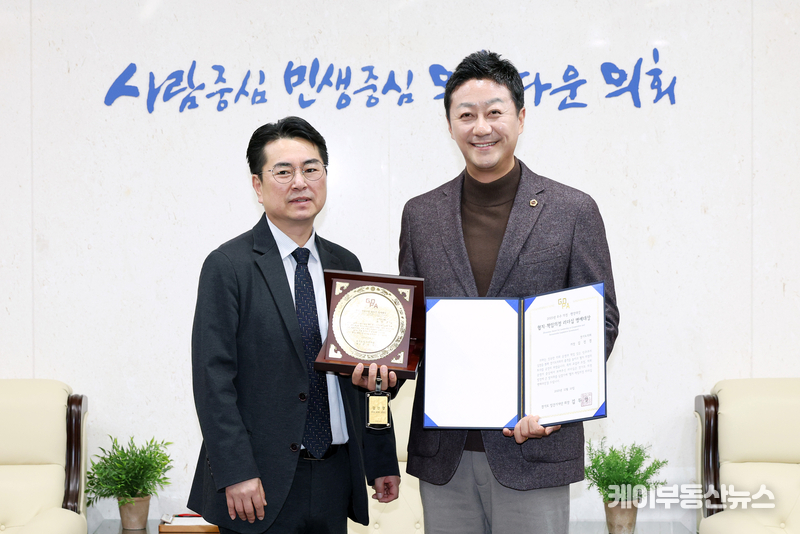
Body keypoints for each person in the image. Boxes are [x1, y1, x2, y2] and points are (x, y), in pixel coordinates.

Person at [396, 51, 620, 533]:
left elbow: (599, 320)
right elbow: (413, 329)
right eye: (466, 115)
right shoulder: (420, 215)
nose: (481, 127)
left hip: (534, 447)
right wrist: (379, 367)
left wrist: (556, 407)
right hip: (445, 456)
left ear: (520, 118)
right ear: (450, 125)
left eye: (494, 112)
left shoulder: (573, 210)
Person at [188, 116, 400, 534]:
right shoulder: (228, 266)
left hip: (335, 475)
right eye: (283, 172)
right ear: (257, 185)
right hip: (258, 482)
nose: (300, 182)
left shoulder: (346, 265)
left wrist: (379, 460)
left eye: (311, 169)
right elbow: (212, 381)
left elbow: (367, 375)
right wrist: (236, 472)